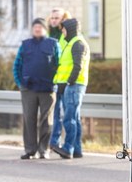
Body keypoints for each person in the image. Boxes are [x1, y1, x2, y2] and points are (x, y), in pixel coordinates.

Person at [13, 18, 61, 160]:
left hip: (48, 89)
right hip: (29, 89)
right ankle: (30, 150)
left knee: (46, 121)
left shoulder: (53, 44)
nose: (37, 29)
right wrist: (20, 83)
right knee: (29, 119)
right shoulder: (25, 45)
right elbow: (17, 65)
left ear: (45, 29)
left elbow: (60, 65)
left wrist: (56, 82)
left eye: (40, 26)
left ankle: (44, 150)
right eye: (35, 26)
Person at [51, 18, 90, 159]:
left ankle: (68, 148)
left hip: (74, 85)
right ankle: (77, 149)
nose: (62, 31)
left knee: (70, 119)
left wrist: (69, 82)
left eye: (64, 29)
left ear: (70, 29)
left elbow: (77, 66)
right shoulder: (73, 43)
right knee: (75, 118)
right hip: (73, 85)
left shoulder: (78, 43)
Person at [48, 8, 72, 149]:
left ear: (63, 19)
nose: (53, 20)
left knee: (60, 112)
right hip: (51, 79)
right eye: (52, 18)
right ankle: (52, 141)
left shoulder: (64, 35)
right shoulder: (48, 34)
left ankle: (55, 141)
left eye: (57, 18)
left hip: (63, 79)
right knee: (53, 112)